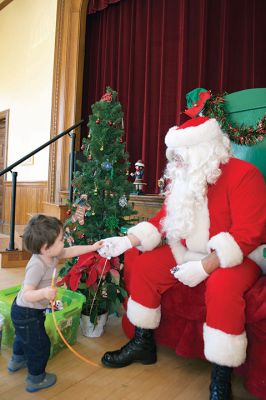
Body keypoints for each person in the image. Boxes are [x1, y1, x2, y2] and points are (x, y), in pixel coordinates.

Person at [98, 116, 266, 400]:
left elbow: (248, 234)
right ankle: (143, 342)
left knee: (223, 287)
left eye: (180, 155)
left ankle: (221, 376)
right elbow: (163, 220)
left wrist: (204, 267)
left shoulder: (244, 174)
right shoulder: (185, 178)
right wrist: (125, 241)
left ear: (203, 149)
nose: (174, 163)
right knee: (145, 262)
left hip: (237, 256)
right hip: (189, 250)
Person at [8, 214, 103, 393]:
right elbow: (27, 294)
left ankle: (17, 359)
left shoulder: (52, 253)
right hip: (26, 311)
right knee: (40, 345)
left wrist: (93, 247)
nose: (63, 243)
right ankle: (36, 378)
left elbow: (70, 251)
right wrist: (44, 292)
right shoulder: (36, 265)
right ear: (45, 248)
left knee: (23, 337)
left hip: (29, 312)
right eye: (60, 240)